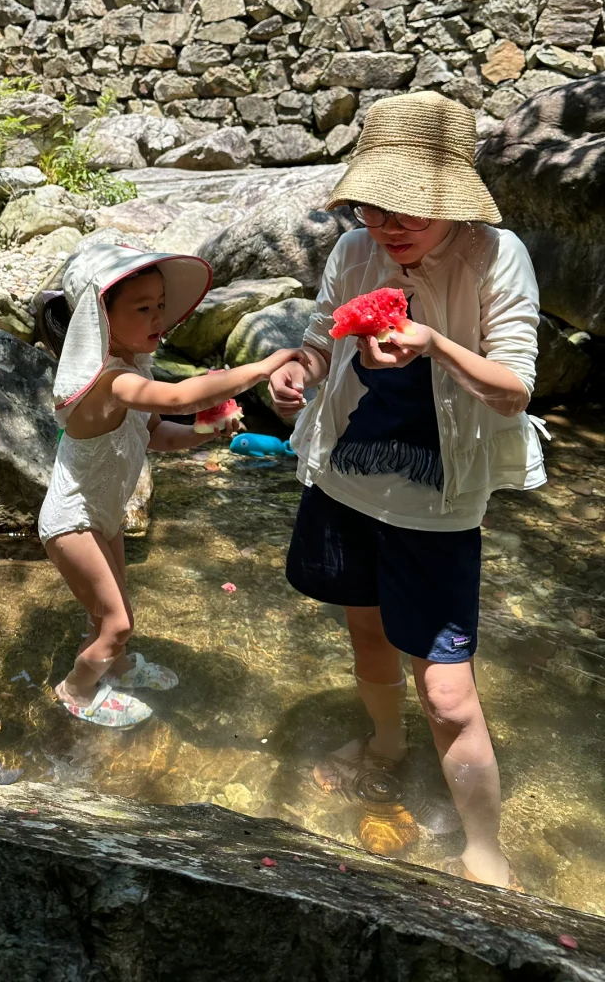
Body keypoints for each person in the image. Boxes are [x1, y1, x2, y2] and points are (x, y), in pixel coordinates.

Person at [268, 92, 545, 890]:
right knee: (366, 633)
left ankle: (486, 847)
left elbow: (515, 390)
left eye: (407, 208)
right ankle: (385, 745)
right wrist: (297, 371)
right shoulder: (355, 252)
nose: (385, 225)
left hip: (440, 502)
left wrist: (436, 345)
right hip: (346, 479)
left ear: (452, 199)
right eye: (371, 205)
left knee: (449, 694)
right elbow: (323, 339)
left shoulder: (497, 256)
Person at [36, 242, 302, 728]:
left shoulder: (134, 369)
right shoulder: (109, 382)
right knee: (118, 623)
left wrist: (204, 431)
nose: (159, 317)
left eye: (160, 305)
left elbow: (156, 432)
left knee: (110, 612)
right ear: (102, 320)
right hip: (72, 521)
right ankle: (75, 690)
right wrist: (260, 368)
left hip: (102, 514)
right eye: (142, 308)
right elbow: (179, 397)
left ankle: (115, 669)